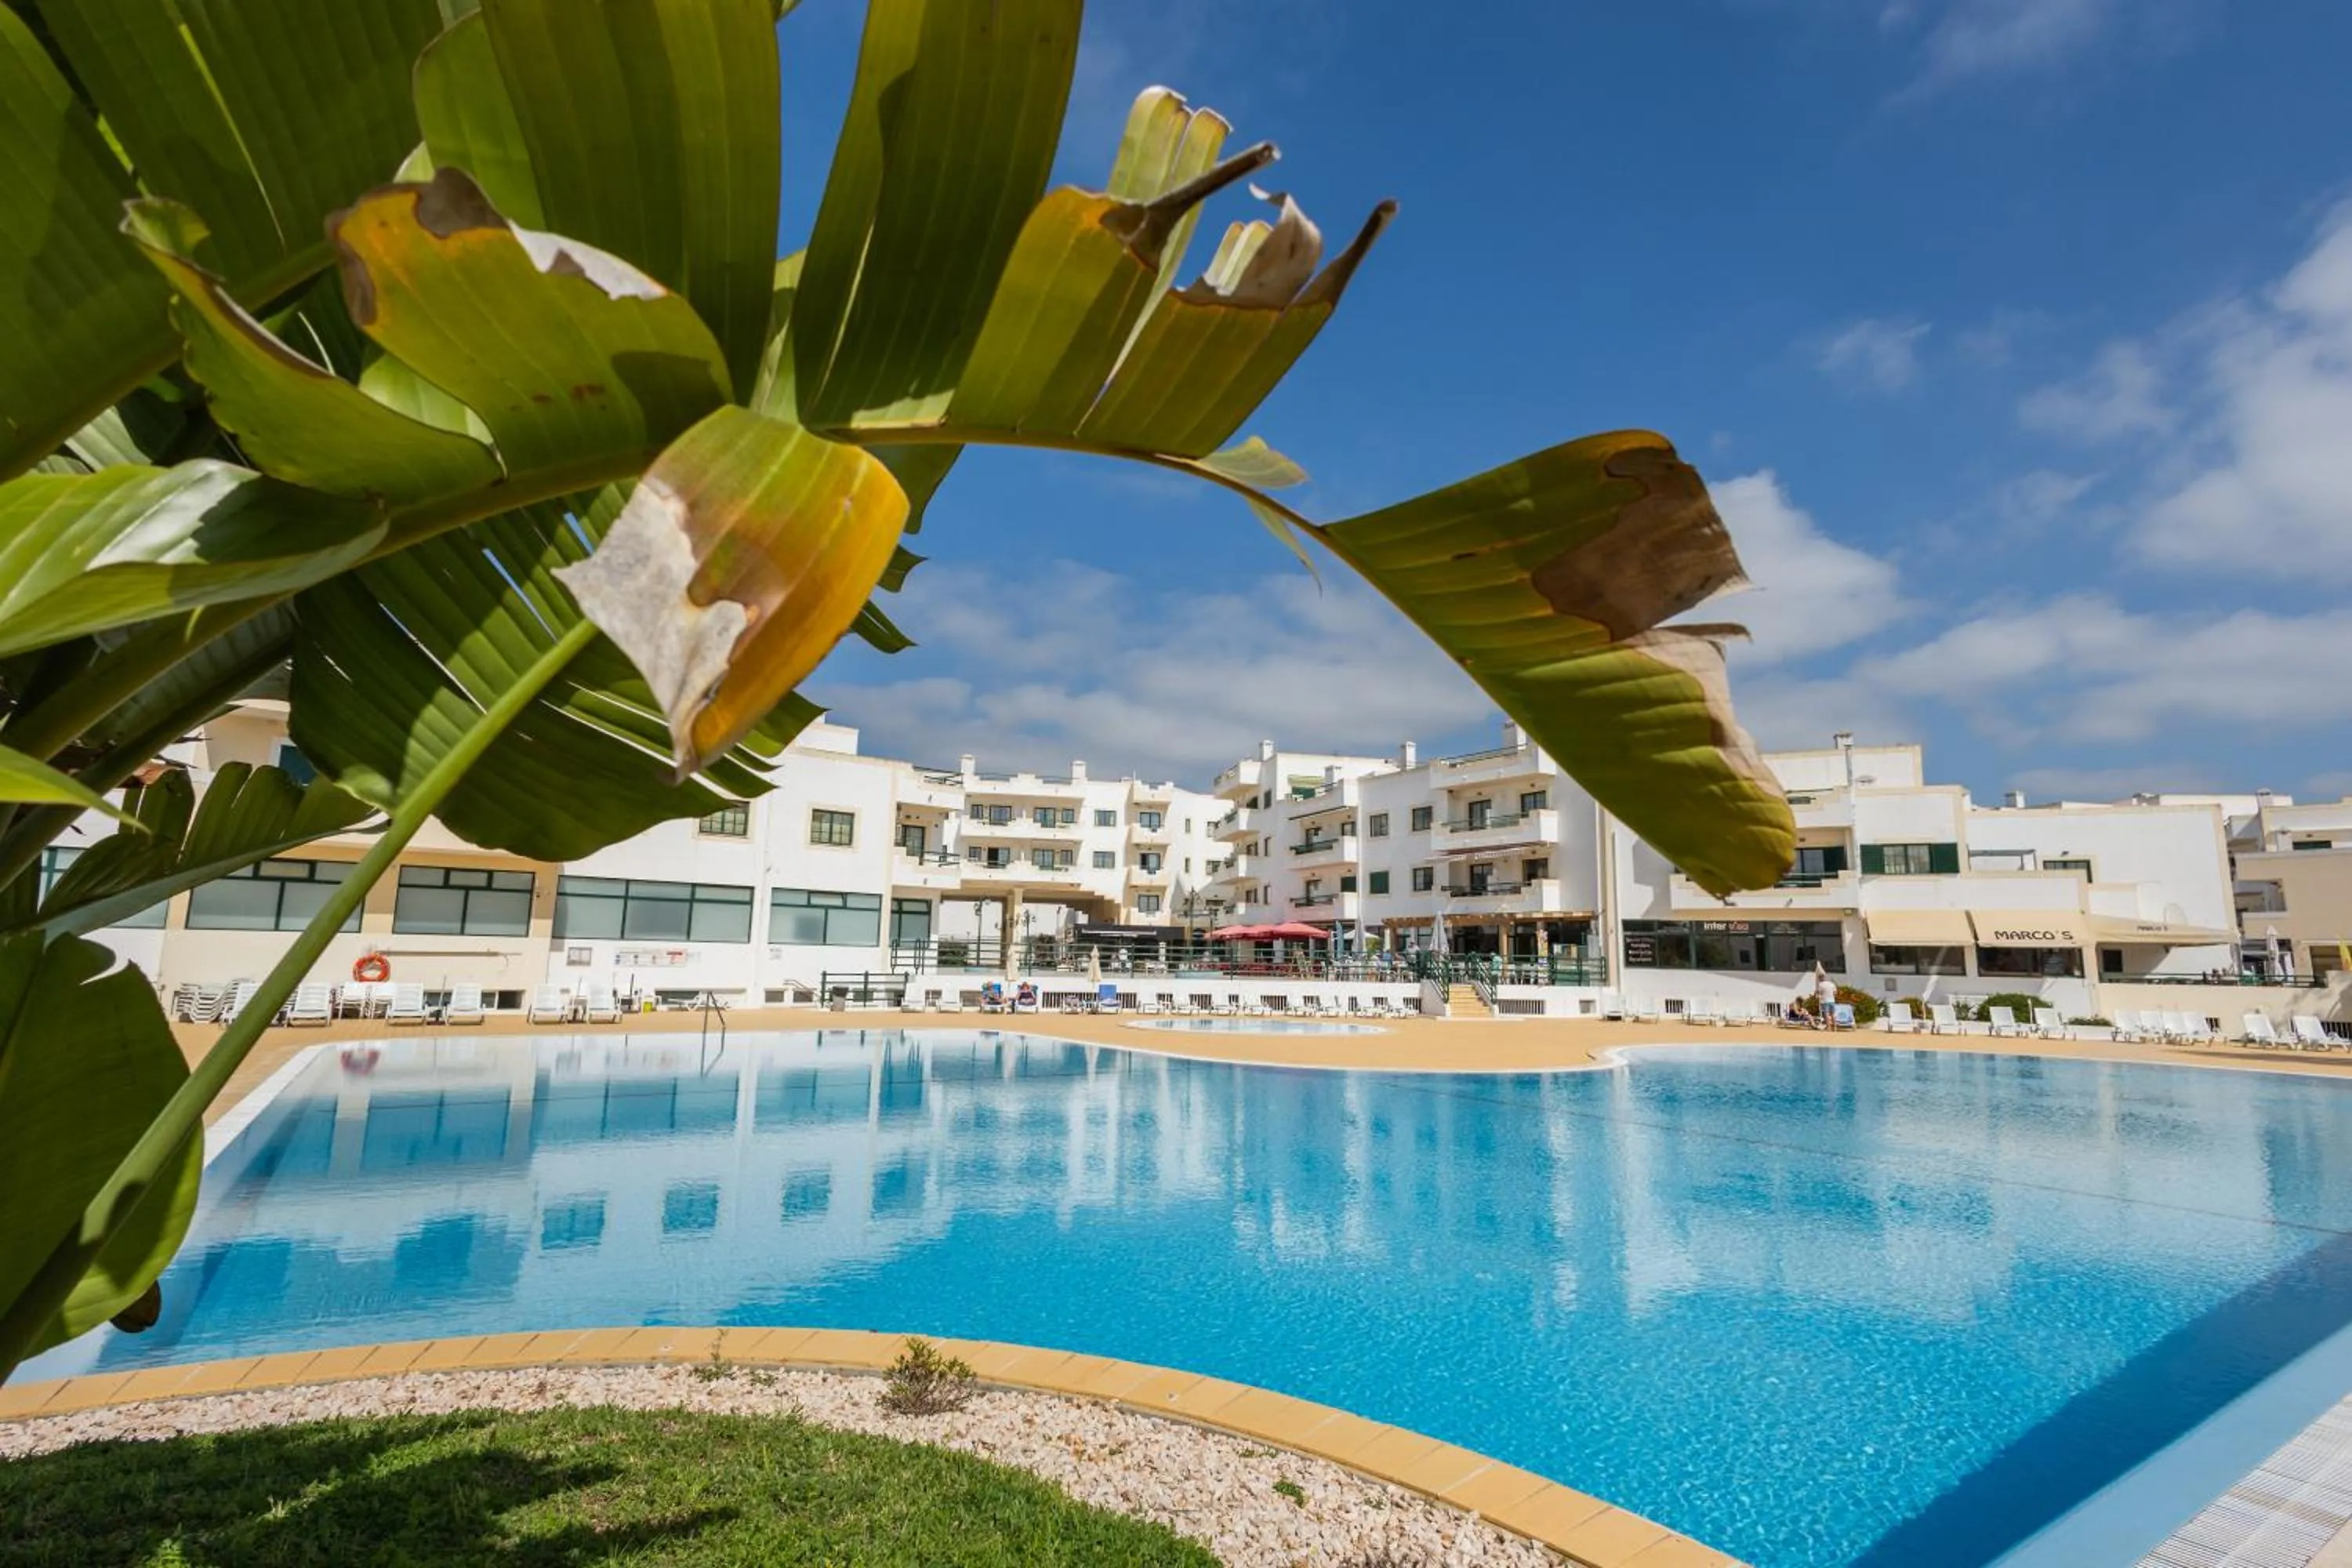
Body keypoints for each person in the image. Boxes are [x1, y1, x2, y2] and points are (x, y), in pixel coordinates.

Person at [1812, 963, 1837, 1030]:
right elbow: (1835, 993)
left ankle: (1829, 1027)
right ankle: (1835, 1027)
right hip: (1832, 1000)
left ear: (1820, 978)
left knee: (1826, 1014)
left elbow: (1817, 993)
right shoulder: (1832, 984)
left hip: (1825, 1001)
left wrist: (1816, 995)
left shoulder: (1821, 985)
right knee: (1833, 1014)